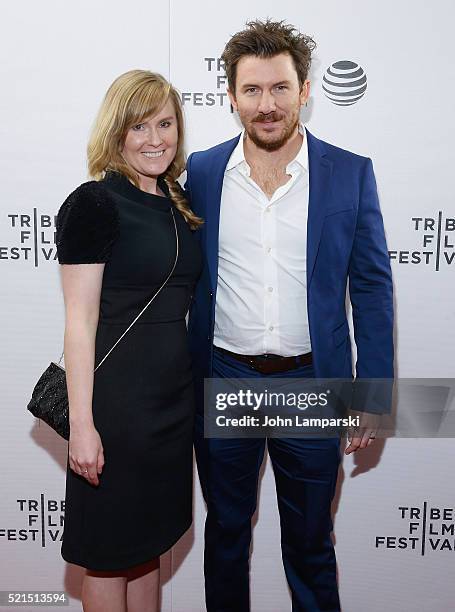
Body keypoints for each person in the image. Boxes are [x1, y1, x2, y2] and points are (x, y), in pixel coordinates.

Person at [186, 19, 393, 612]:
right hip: (227, 378)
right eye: (251, 91)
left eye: (280, 88)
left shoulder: (350, 172)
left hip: (311, 383)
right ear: (230, 97)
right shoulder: (201, 172)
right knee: (225, 535)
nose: (266, 104)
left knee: (309, 543)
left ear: (305, 90)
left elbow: (373, 290)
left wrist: (372, 394)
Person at [56, 70, 202, 612]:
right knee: (109, 552)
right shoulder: (95, 203)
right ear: (117, 131)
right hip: (115, 409)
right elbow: (79, 320)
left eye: (165, 124)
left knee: (148, 547)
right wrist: (83, 426)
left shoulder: (178, 203)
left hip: (170, 406)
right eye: (139, 126)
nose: (155, 139)